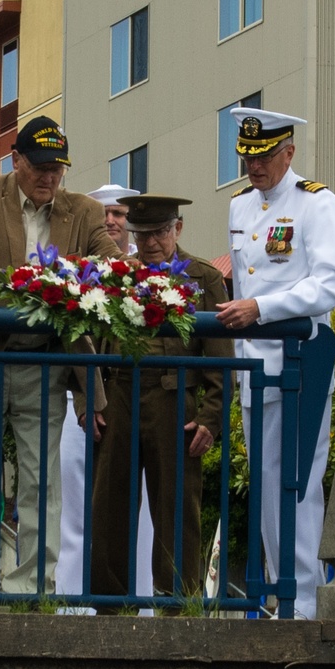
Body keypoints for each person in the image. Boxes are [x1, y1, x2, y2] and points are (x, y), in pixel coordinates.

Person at [0, 117, 120, 600]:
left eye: (57, 167)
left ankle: (31, 592)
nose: (49, 176)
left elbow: (107, 258)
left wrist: (121, 273)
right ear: (15, 160)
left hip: (46, 365)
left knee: (43, 484)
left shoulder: (84, 210)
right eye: (39, 166)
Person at [215, 107, 335, 619]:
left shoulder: (316, 203)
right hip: (256, 369)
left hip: (299, 363)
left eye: (265, 156)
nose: (255, 167)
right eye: (247, 157)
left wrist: (262, 309)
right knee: (267, 487)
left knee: (297, 486)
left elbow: (328, 283)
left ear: (288, 152)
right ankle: (277, 597)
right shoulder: (240, 207)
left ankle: (305, 604)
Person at [90, 196, 232, 604]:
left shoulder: (203, 277)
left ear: (178, 229)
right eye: (142, 234)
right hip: (116, 394)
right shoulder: (115, 276)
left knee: (177, 512)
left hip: (175, 400)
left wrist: (211, 416)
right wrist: (87, 401)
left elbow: (221, 358)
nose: (150, 243)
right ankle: (110, 609)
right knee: (109, 509)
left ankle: (178, 608)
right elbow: (87, 340)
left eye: (159, 233)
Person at [54, 184, 155, 609]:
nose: (111, 221)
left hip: (135, 408)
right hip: (80, 407)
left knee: (141, 514)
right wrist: (84, 403)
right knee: (76, 509)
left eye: (118, 214)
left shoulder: (147, 275)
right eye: (104, 214)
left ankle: (141, 602)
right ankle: (73, 604)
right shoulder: (73, 274)